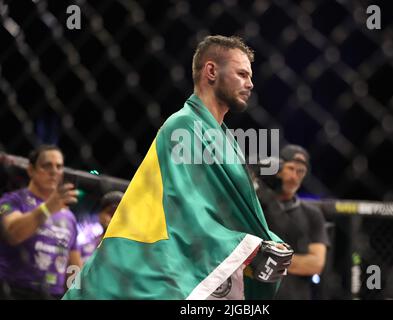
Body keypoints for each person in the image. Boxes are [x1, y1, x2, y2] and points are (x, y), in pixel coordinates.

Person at [64, 35, 292, 300]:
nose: (250, 84)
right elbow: (182, 210)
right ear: (211, 71)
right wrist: (252, 248)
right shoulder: (183, 126)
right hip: (152, 267)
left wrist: (267, 240)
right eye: (242, 74)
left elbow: (230, 212)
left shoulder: (226, 140)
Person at [0, 145, 81, 299]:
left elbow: (74, 264)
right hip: (13, 290)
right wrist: (48, 208)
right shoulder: (12, 201)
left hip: (52, 295)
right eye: (47, 165)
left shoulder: (68, 215)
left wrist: (76, 293)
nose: (54, 171)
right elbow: (13, 234)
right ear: (31, 170)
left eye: (59, 166)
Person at [255, 144, 330, 299]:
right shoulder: (257, 206)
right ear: (278, 170)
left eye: (300, 171)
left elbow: (316, 263)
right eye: (291, 168)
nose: (294, 176)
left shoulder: (312, 214)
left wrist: (271, 259)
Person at [77, 191, 123, 262]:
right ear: (100, 214)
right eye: (110, 213)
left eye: (118, 215)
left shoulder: (127, 249)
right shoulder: (87, 245)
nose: (113, 218)